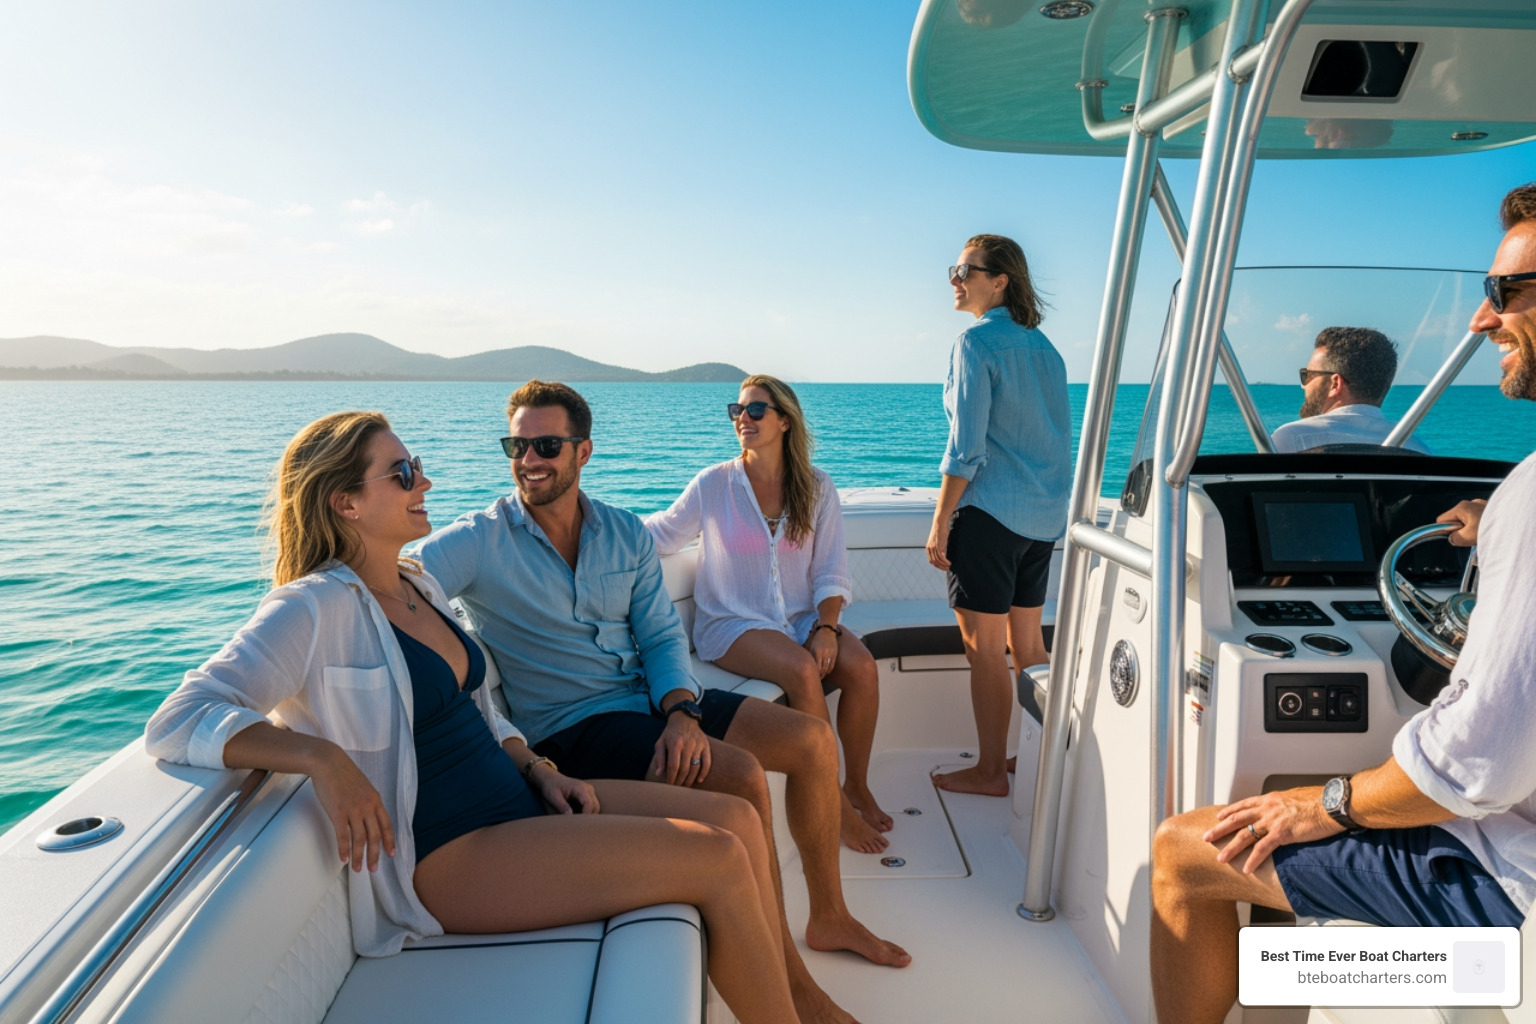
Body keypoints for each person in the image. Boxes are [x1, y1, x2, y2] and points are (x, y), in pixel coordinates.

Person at [143, 412, 798, 1024]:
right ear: (345, 502)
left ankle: (786, 981)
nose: (423, 481)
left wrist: (537, 767)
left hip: (519, 801)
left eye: (417, 465)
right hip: (454, 854)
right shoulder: (313, 608)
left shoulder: (415, 585)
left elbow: (479, 710)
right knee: (715, 857)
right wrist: (321, 758)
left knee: (735, 814)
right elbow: (180, 718)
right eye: (401, 473)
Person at [1150, 182, 1536, 1024]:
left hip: (1516, 889)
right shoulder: (1510, 496)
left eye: (1506, 293)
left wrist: (1317, 803)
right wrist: (1489, 524)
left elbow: (1476, 767)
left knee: (1184, 850)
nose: (1483, 321)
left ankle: (1288, 975)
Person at [414, 382, 909, 1024]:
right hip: (574, 729)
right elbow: (398, 580)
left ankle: (830, 916)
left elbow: (660, 634)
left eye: (546, 445)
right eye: (517, 445)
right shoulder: (480, 540)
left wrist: (682, 712)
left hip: (652, 704)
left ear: (582, 450)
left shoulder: (622, 532)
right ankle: (792, 981)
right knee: (740, 777)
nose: (529, 459)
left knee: (812, 742)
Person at [645, 374, 891, 855]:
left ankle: (856, 784)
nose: (743, 420)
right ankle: (834, 802)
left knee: (860, 666)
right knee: (801, 669)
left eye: (755, 411)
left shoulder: (817, 487)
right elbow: (661, 533)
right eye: (737, 411)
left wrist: (825, 627)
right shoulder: (714, 484)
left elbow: (831, 571)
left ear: (784, 421)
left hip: (800, 619)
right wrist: (591, 524)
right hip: (732, 623)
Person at [924, 234, 1071, 797]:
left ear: (1000, 279)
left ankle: (989, 772)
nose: (955, 279)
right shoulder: (1046, 349)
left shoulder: (976, 345)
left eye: (965, 270)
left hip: (988, 517)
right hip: (1041, 521)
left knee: (984, 650)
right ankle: (1040, 760)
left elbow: (966, 447)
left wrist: (941, 521)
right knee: (1029, 649)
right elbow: (1058, 443)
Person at [1269, 326, 1431, 453]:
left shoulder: (1289, 440)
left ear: (1335, 384)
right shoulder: (1415, 448)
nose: (1303, 385)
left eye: (1308, 375)